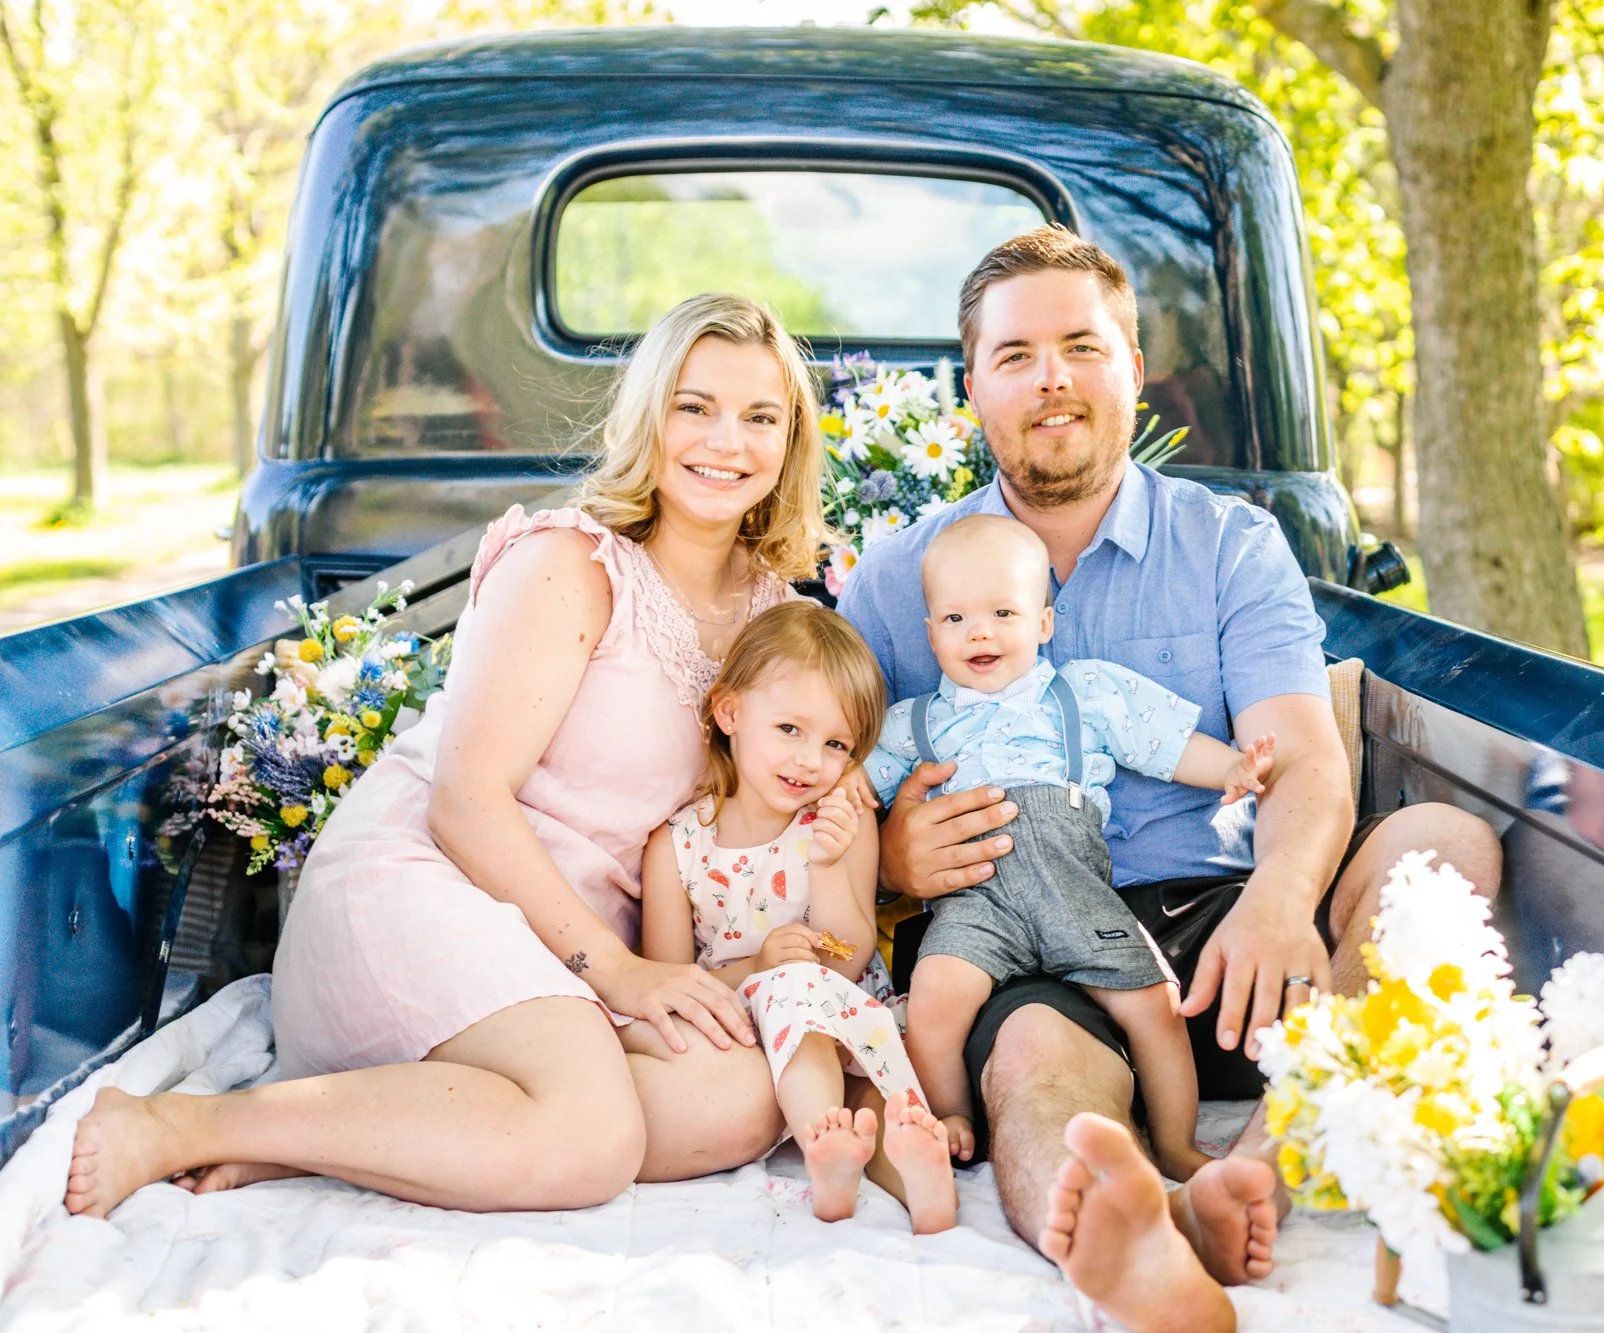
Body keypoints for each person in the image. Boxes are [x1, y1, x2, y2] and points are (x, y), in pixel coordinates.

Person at [837, 226, 1503, 1332]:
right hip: (1028, 939)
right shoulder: (897, 573)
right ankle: (1123, 1224)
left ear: (1131, 370)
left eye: (1080, 346)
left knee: (1444, 847)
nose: (1049, 378)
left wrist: (1283, 902)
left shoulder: (1229, 544)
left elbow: (1299, 755)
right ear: (973, 390)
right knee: (1035, 1060)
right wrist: (894, 866)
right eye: (1013, 356)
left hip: (1232, 928)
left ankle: (1250, 1173)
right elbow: (823, 789)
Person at [65, 293, 830, 1219]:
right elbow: (465, 802)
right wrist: (621, 973)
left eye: (761, 416)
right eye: (694, 405)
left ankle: (367, 1135)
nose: (726, 440)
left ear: (792, 440)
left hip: (564, 949)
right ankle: (191, 1124)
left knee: (739, 1099)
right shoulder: (573, 562)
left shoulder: (776, 614)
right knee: (591, 1140)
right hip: (430, 882)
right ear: (647, 416)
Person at [863, 514, 1274, 1183]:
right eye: (956, 619)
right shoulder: (915, 723)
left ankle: (1175, 1142)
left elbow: (1162, 744)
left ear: (1044, 623)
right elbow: (856, 784)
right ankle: (953, 1113)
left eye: (1003, 612)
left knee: (1155, 1004)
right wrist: (846, 806)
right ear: (931, 631)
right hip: (976, 900)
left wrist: (1229, 768)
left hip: (1073, 890)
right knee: (935, 997)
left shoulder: (1082, 693)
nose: (981, 632)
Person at [634, 602, 958, 1232]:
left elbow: (852, 954)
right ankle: (824, 1146)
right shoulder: (675, 845)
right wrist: (756, 967)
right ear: (729, 712)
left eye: (836, 743)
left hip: (841, 1015)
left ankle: (919, 1181)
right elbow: (668, 983)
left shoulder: (837, 822)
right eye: (789, 729)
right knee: (788, 992)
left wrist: (832, 862)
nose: (811, 760)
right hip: (742, 1033)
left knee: (874, 1103)